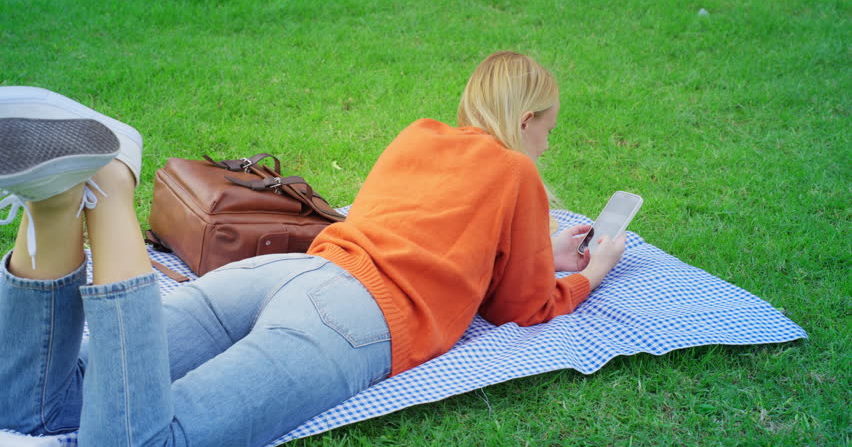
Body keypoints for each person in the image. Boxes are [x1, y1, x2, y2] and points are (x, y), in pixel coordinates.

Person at [0, 51, 626, 447]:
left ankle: (53, 209)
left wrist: (536, 246)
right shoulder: (516, 174)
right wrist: (591, 273)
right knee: (143, 439)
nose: (546, 146)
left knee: (46, 402)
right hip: (351, 319)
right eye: (548, 130)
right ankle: (111, 186)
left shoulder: (422, 135)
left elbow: (439, 232)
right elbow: (521, 304)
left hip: (291, 271)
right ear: (525, 121)